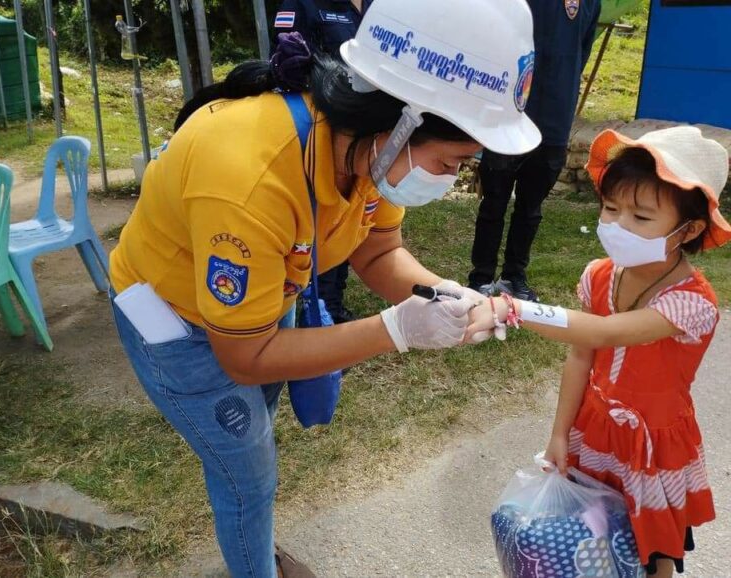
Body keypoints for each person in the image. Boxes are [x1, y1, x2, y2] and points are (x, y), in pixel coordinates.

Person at [110, 0, 540, 576]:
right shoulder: (248, 177)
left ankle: (254, 545)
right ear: (404, 124)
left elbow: (379, 250)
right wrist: (396, 329)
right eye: (454, 161)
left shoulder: (369, 150)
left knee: (254, 433)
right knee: (249, 469)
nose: (453, 177)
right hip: (173, 319)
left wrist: (443, 293)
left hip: (263, 301)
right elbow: (247, 355)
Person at [467, 126, 731, 577]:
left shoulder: (692, 303)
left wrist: (514, 308)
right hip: (593, 433)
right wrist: (559, 433)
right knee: (592, 533)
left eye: (642, 218)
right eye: (610, 209)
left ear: (690, 230)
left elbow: (604, 334)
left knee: (653, 548)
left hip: (650, 448)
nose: (618, 225)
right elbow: (580, 354)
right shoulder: (599, 277)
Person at [467, 0, 601, 302]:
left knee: (531, 208)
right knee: (494, 202)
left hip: (554, 118)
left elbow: (582, 52)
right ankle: (480, 279)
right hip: (509, 111)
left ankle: (514, 277)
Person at [271, 0, 374, 324]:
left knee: (345, 223)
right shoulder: (305, 3)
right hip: (318, 133)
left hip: (367, 130)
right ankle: (309, 304)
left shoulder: (377, 6)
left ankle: (330, 304)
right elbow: (288, 58)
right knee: (314, 225)